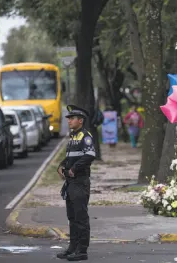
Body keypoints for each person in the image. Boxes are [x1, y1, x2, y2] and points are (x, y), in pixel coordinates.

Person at [57, 105, 96, 261]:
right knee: (72, 217)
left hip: (80, 181)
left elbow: (90, 155)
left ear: (80, 121)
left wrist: (73, 169)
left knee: (80, 217)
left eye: (72, 118)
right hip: (71, 183)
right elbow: (71, 156)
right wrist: (61, 165)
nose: (69, 121)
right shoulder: (73, 137)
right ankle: (72, 247)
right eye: (69, 118)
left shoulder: (85, 136)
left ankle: (82, 251)